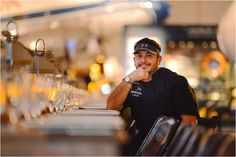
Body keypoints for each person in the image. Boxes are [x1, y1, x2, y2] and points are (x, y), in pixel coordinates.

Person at [106, 37, 199, 155]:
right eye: (139, 56)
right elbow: (111, 107)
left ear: (159, 59)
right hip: (141, 141)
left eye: (149, 55)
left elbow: (190, 122)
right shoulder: (131, 82)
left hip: (167, 146)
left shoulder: (176, 82)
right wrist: (129, 79)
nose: (143, 60)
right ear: (134, 59)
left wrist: (176, 151)